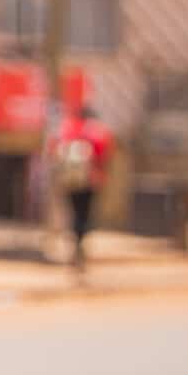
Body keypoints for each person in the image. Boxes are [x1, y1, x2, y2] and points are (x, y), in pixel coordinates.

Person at [51, 99, 113, 276]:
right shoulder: (96, 132)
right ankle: (80, 247)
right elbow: (104, 155)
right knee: (84, 215)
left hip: (70, 181)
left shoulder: (68, 129)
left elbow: (55, 151)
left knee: (73, 213)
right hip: (89, 181)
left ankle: (75, 247)